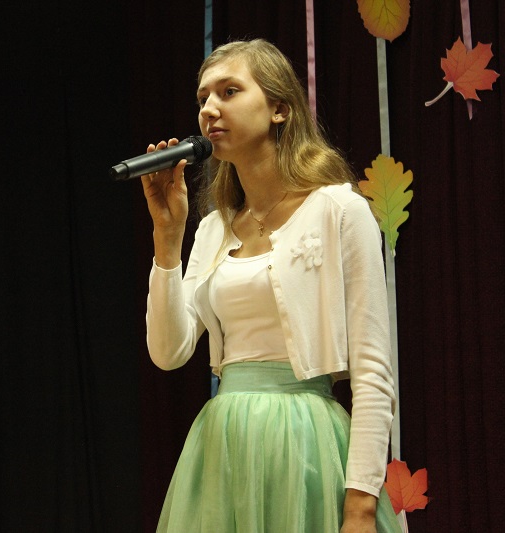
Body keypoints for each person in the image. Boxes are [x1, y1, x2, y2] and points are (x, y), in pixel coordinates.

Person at [141, 39, 401, 533]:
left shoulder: (338, 210)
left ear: (279, 109)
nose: (209, 109)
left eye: (229, 91)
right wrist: (167, 239)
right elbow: (168, 352)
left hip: (307, 444)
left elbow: (373, 372)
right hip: (224, 448)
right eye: (202, 98)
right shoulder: (213, 228)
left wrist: (360, 507)